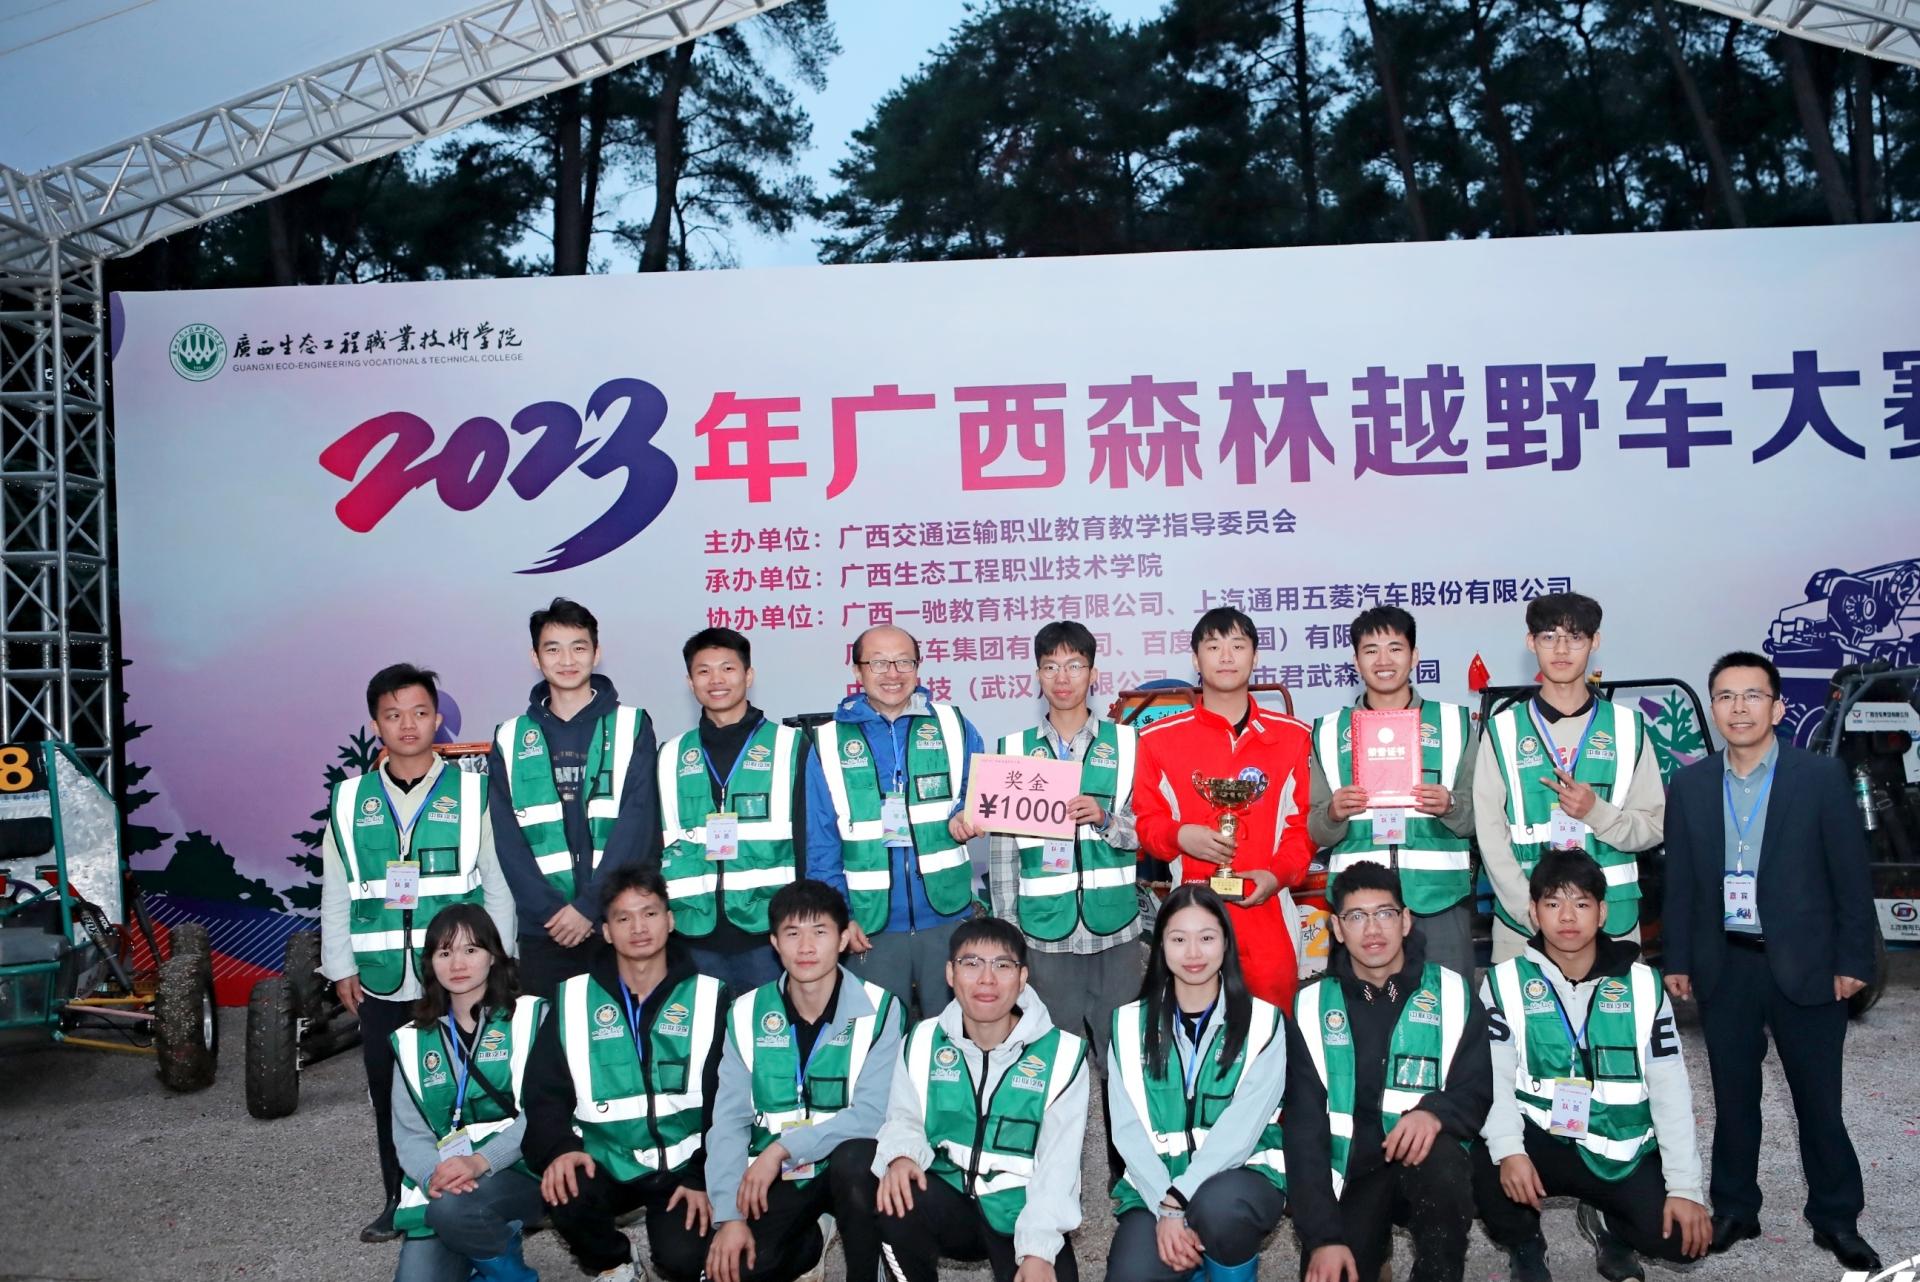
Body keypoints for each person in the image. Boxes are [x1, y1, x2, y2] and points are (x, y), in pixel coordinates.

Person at [1661, 651, 1880, 1273]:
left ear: (1778, 707)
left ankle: (1836, 1218)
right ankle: (1736, 1208)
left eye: (1753, 695)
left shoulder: (1820, 777)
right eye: (1726, 696)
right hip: (1725, 963)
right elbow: (1682, 883)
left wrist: (1854, 959)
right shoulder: (1692, 785)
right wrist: (1678, 957)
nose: (1739, 708)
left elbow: (1851, 878)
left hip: (1808, 964)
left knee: (1819, 1102)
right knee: (1733, 1099)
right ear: (1713, 708)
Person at [323, 662, 516, 1242]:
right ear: (375, 724)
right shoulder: (349, 799)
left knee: (468, 1087)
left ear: (438, 720)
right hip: (381, 977)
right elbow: (336, 888)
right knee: (392, 1093)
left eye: (420, 712)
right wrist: (341, 966)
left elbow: (498, 884)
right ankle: (397, 1198)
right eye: (393, 715)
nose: (407, 725)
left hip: (458, 977)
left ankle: (480, 1193)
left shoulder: (473, 792)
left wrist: (500, 962)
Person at [1474, 851, 1709, 1282]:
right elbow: (1493, 1081)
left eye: (1581, 903)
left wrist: (1685, 1188)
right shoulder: (1504, 982)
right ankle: (1525, 1243)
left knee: (1680, 1239)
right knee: (1481, 1163)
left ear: (1602, 913)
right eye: (1553, 903)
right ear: (1534, 913)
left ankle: (1609, 1227)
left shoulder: (1643, 985)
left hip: (1617, 1145)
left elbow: (1671, 1089)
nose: (1567, 917)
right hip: (1541, 1136)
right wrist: (1509, 1151)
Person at [1285, 862, 1489, 1282]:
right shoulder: (1310, 1007)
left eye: (1385, 913)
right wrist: (1323, 1236)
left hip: (1427, 1165)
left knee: (1444, 1166)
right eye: (1356, 916)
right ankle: (1373, 1252)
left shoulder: (1451, 991)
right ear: (1337, 929)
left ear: (1406, 921)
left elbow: (1477, 1087)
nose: (1373, 929)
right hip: (1352, 1174)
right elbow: (1303, 1131)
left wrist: (1434, 1112)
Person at [522, 866, 725, 1282]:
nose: (638, 928)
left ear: (670, 920)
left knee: (682, 1261)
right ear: (607, 931)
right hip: (606, 1161)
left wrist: (702, 1175)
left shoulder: (711, 997)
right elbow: (543, 1093)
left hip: (683, 1167)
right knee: (565, 1185)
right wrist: (560, 1149)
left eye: (649, 913)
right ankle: (614, 1262)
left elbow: (730, 1102)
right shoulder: (574, 999)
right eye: (623, 917)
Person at [706, 879, 903, 1282]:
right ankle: (810, 1242)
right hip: (780, 1176)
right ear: (774, 943)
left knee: (857, 1161)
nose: (806, 947)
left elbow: (872, 1115)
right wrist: (729, 1216)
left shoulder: (882, 1009)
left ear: (844, 938)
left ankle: (866, 1272)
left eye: (820, 932)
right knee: (738, 1268)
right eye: (793, 934)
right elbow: (728, 1120)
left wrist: (782, 1149)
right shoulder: (744, 1012)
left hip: (842, 1164)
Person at [873, 917, 1090, 1282]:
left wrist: (1038, 1250)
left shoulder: (1062, 1056)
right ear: (950, 973)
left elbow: (1059, 1168)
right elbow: (903, 1118)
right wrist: (901, 1156)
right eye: (971, 964)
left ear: (1022, 978)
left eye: (1002, 965)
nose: (986, 979)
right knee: (893, 1188)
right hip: (947, 1194)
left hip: (1019, 1210)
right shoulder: (923, 1039)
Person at [1133, 607, 1312, 1010]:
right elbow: (1147, 823)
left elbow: (1303, 828)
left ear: (1255, 657)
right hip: (1191, 916)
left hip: (1267, 913)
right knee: (1192, 1035)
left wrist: (1277, 875)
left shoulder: (1294, 737)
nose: (1226, 656)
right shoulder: (1159, 738)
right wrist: (1180, 836)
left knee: (1272, 1032)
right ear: (1196, 661)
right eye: (1213, 647)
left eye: (1238, 646)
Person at [1106, 884, 1287, 1282]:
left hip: (1239, 1181)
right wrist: (1164, 1206)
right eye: (1178, 939)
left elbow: (1242, 1130)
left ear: (1226, 943)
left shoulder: (1263, 1022)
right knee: (1132, 1274)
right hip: (1156, 1189)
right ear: (1160, 946)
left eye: (1206, 938)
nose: (1193, 953)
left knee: (1221, 1211)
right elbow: (1126, 1130)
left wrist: (1179, 1199)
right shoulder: (1126, 1024)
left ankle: (1224, 1263)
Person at [986, 620, 1146, 1071]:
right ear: (1037, 676)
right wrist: (1009, 933)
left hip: (1115, 928)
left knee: (1121, 1057)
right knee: (1049, 1060)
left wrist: (1107, 820)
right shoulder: (1012, 751)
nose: (1063, 677)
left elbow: (1148, 833)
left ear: (1093, 674)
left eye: (1074, 665)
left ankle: (1118, 1122)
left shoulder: (1128, 745)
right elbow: (1003, 854)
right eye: (1051, 666)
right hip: (1043, 934)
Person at [804, 624, 986, 1015]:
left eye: (904, 662)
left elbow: (975, 791)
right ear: (857, 670)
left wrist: (963, 814)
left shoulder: (953, 725)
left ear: (918, 667)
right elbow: (821, 843)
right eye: (878, 663)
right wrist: (839, 917)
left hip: (948, 918)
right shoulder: (828, 741)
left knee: (953, 1036)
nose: (892, 673)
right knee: (874, 1038)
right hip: (870, 926)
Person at [1475, 593, 1663, 963]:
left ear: (1595, 642)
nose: (1561, 649)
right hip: (1524, 927)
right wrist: (1533, 911)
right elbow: (1490, 836)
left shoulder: (1628, 728)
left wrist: (1596, 813)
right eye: (1549, 636)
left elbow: (1654, 827)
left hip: (1613, 923)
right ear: (1531, 642)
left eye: (1575, 637)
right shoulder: (1502, 731)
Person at [490, 597, 659, 999]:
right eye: (553, 649)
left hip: (617, 923)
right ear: (535, 658)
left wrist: (588, 906)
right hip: (544, 929)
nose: (567, 660)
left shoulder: (632, 725)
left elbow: (637, 827)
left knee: (621, 1034)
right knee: (549, 1035)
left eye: (578, 647)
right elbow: (507, 840)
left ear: (596, 653)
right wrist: (551, 911)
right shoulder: (510, 737)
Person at [1308, 606, 1477, 975]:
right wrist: (1334, 813)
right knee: (1363, 1010)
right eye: (1371, 651)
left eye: (1395, 648)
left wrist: (1450, 805)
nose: (1383, 661)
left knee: (1451, 1004)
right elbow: (1317, 829)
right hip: (1358, 906)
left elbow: (1481, 818)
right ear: (1355, 661)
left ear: (1414, 656)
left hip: (1440, 899)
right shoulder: (1328, 732)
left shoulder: (1455, 724)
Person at [388, 904, 546, 1282]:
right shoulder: (411, 1040)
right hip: (449, 1181)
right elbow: (410, 1134)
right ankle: (484, 1248)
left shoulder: (530, 1017)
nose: (457, 963)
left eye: (470, 950)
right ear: (431, 964)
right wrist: (434, 1176)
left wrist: (481, 1161)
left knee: (452, 1211)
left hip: (526, 1168)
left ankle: (512, 1275)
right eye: (444, 953)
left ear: (493, 956)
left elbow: (544, 1112)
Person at [658, 627, 806, 993]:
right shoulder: (670, 755)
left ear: (748, 675)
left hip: (768, 932)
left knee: (768, 1027)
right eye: (704, 671)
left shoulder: (791, 746)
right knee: (699, 1030)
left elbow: (811, 841)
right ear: (690, 682)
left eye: (727, 668)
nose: (716, 680)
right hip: (693, 933)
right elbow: (653, 844)